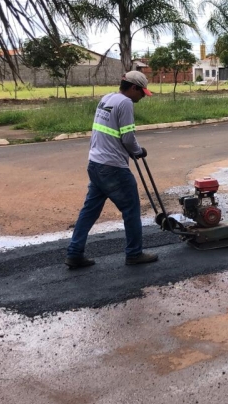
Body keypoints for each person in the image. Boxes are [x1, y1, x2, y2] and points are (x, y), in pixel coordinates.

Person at [65, 71, 159, 269]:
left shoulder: (107, 98)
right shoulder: (125, 103)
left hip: (95, 164)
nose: (142, 97)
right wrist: (138, 151)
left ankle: (74, 253)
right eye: (141, 92)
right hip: (113, 167)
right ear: (133, 88)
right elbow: (127, 137)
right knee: (131, 209)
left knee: (89, 211)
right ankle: (134, 253)